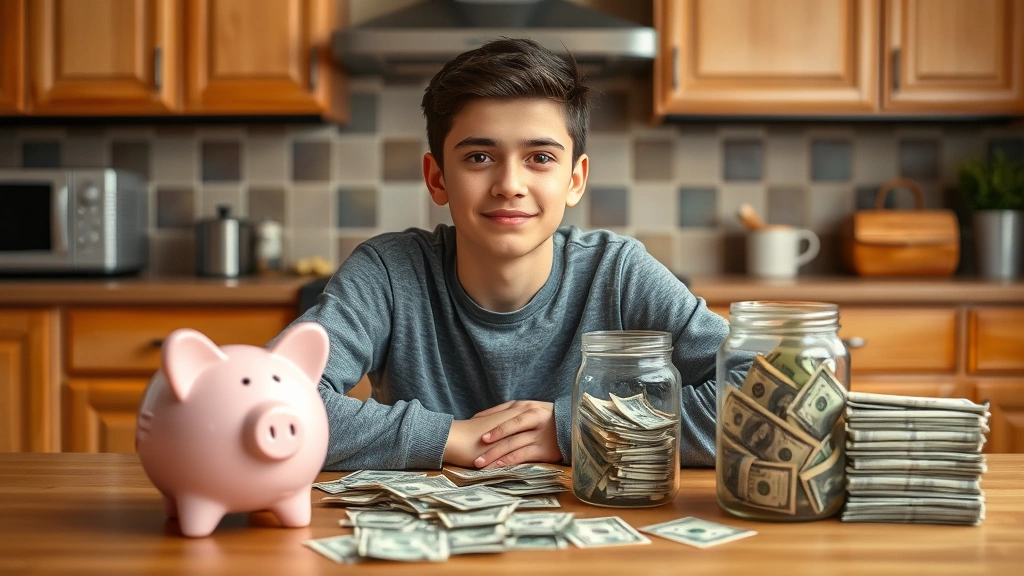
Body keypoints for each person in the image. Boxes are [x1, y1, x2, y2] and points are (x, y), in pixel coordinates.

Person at [286, 37, 729, 472]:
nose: (510, 184)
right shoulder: (386, 273)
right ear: (437, 178)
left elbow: (764, 397)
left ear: (575, 179)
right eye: (479, 157)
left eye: (539, 157)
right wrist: (450, 436)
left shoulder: (618, 273)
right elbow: (269, 403)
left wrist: (580, 427)